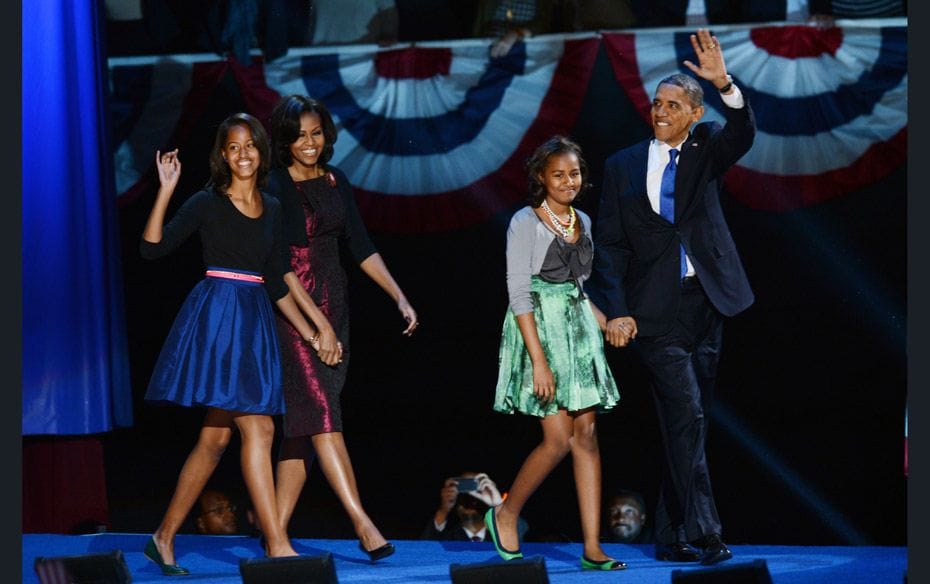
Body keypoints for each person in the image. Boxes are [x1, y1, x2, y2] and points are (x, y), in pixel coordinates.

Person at [587, 29, 755, 567]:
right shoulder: (622, 165)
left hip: (709, 304)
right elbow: (609, 246)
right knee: (688, 415)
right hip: (653, 315)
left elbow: (744, 133)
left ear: (693, 113)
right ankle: (706, 533)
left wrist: (725, 82)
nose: (660, 111)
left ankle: (669, 532)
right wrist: (617, 311)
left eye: (673, 105)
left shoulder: (708, 146)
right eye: (657, 103)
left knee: (688, 420)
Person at [139, 112, 329, 574]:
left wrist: (313, 331)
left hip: (253, 319)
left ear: (261, 151)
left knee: (215, 440)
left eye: (250, 146)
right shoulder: (207, 202)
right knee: (260, 429)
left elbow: (277, 281)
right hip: (219, 318)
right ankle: (278, 542)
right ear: (223, 155)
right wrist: (166, 189)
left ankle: (163, 537)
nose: (243, 154)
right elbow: (152, 248)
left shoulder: (274, 206)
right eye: (233, 147)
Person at [266, 94, 418, 562]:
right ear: (284, 140)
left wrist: (398, 295)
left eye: (315, 133)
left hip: (337, 303)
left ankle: (275, 535)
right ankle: (363, 524)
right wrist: (317, 329)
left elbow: (362, 244)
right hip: (296, 308)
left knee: (304, 428)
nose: (308, 143)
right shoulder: (276, 185)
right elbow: (278, 267)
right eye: (298, 136)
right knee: (323, 418)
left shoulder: (336, 179)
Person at [487, 136, 624, 571]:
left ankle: (592, 546)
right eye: (559, 174)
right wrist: (539, 361)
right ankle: (505, 513)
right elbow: (519, 292)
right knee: (557, 439)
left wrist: (607, 322)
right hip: (538, 332)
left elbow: (578, 289)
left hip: (578, 333)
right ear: (541, 178)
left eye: (575, 173)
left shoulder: (582, 218)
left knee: (586, 437)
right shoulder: (525, 221)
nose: (568, 181)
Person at [422, 472, 529, 542]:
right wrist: (444, 510)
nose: (471, 497)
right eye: (463, 489)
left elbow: (519, 535)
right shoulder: (447, 540)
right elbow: (424, 551)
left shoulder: (500, 538)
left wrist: (498, 505)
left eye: (476, 489)